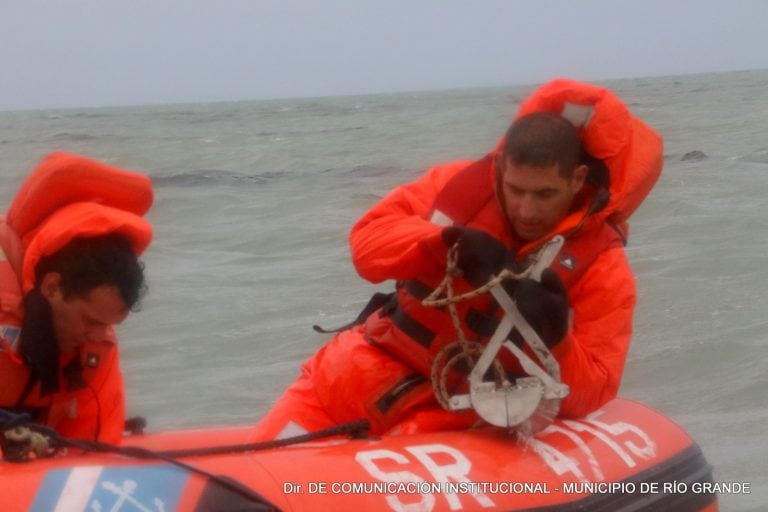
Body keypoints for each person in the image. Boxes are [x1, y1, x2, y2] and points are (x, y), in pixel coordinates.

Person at [252, 78, 663, 440]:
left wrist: (556, 340)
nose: (526, 209)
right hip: (347, 374)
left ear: (576, 181)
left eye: (544, 195)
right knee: (259, 478)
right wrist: (444, 241)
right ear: (501, 167)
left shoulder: (603, 268)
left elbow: (595, 391)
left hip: (449, 410)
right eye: (516, 189)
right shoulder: (455, 185)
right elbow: (366, 247)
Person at [0, 152, 153, 444]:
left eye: (108, 324)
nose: (98, 335)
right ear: (52, 287)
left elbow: (96, 445)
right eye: (90, 320)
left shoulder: (98, 346)